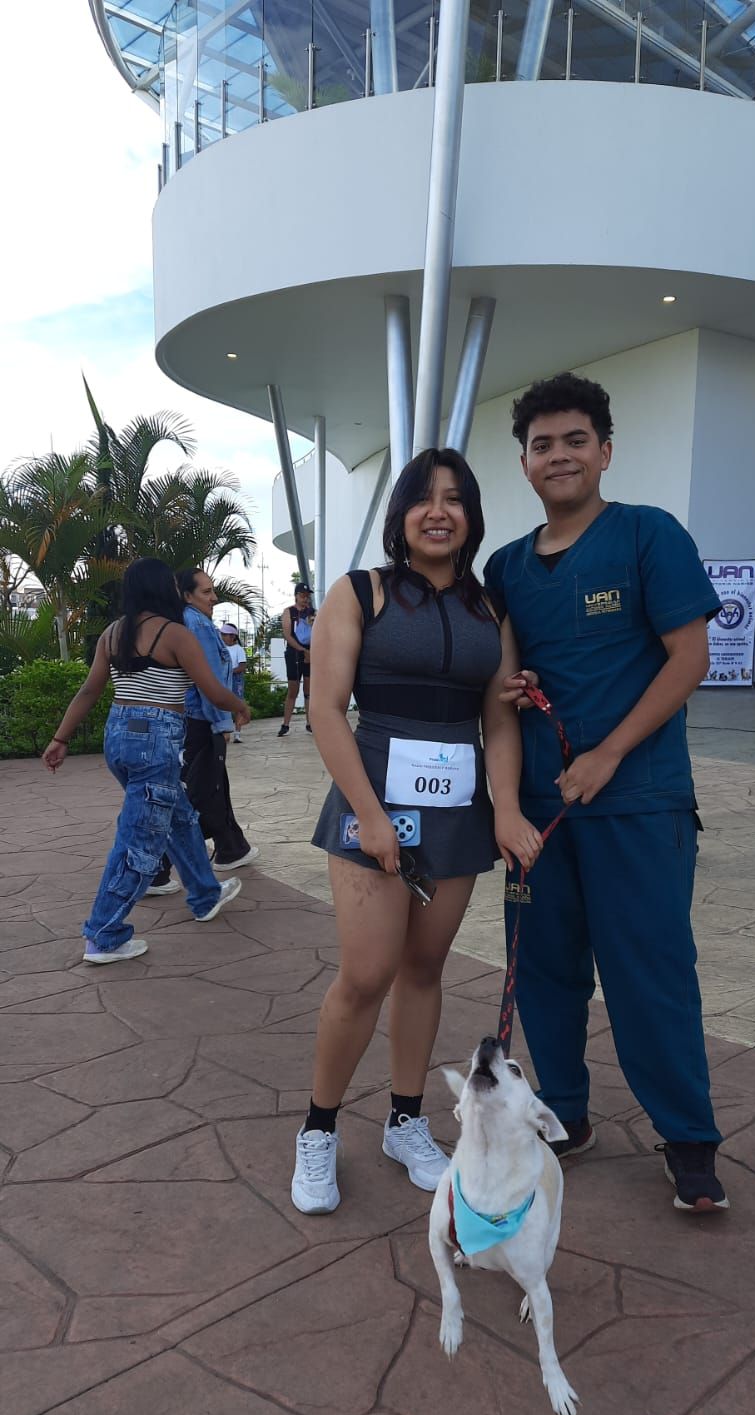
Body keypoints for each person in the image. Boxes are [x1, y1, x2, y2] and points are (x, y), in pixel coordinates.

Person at [484, 370, 729, 1214]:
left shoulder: (646, 536)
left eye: (574, 440)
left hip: (638, 800)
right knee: (547, 973)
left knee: (649, 969)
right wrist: (507, 807)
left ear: (605, 451)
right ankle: (569, 1115)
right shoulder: (506, 567)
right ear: (523, 463)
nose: (559, 456)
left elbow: (688, 658)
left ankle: (688, 1137)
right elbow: (501, 696)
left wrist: (609, 754)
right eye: (542, 445)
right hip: (543, 819)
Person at [290, 447, 541, 1215]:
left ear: (471, 515)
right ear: (401, 513)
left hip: (456, 811)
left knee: (425, 969)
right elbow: (328, 709)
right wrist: (366, 813)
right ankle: (319, 1128)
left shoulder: (487, 609)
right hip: (371, 802)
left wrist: (503, 806)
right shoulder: (358, 592)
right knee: (365, 974)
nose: (439, 511)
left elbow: (498, 719)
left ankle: (404, 1122)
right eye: (423, 498)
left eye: (455, 498)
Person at [41, 558, 249, 964]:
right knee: (139, 841)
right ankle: (104, 934)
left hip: (118, 735)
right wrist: (240, 706)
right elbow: (211, 689)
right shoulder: (176, 634)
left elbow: (89, 691)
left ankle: (205, 894)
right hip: (155, 739)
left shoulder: (113, 634)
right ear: (163, 590)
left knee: (178, 813)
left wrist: (60, 738)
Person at [177, 568, 259, 871]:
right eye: (206, 592)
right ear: (187, 595)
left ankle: (231, 848)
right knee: (203, 789)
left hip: (199, 718)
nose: (214, 597)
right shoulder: (197, 625)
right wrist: (222, 723)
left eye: (213, 590)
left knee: (212, 786)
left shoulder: (195, 622)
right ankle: (164, 860)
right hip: (202, 720)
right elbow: (209, 680)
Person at [278, 583, 316, 736]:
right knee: (293, 688)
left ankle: (310, 722)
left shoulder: (313, 612)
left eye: (307, 596)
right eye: (302, 596)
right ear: (296, 596)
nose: (305, 599)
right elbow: (287, 635)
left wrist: (311, 651)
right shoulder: (289, 612)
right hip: (294, 653)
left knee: (309, 690)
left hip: (310, 653)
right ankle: (286, 723)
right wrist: (302, 649)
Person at [221, 621, 247, 741]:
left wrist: (229, 671)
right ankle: (225, 731)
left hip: (235, 680)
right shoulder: (221, 648)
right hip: (223, 679)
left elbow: (242, 666)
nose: (222, 637)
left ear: (232, 636)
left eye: (224, 634)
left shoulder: (238, 650)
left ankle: (237, 732)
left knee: (237, 705)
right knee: (223, 705)